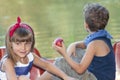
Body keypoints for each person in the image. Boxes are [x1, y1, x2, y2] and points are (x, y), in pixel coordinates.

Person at [39, 3, 116, 80]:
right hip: (97, 75)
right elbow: (84, 44)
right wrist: (74, 45)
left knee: (60, 64)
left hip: (96, 78)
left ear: (86, 25)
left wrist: (64, 54)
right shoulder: (102, 36)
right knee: (77, 52)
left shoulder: (94, 44)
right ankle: (62, 67)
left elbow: (80, 70)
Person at [0, 17, 77, 80]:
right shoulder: (8, 62)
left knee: (53, 70)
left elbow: (47, 65)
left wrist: (65, 77)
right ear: (10, 44)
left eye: (27, 43)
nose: (23, 48)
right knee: (22, 78)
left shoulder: (30, 56)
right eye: (18, 44)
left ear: (32, 43)